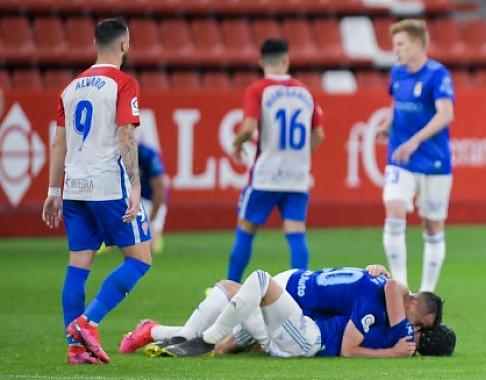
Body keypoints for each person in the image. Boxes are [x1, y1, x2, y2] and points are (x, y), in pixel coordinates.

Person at [41, 18, 152, 365]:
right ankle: (88, 323)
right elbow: (126, 133)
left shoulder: (71, 88)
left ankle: (75, 350)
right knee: (139, 259)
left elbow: (59, 142)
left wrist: (52, 189)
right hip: (107, 184)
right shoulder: (123, 83)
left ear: (95, 44)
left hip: (74, 186)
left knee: (78, 264)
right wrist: (135, 184)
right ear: (124, 45)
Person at [119, 266, 450, 358]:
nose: (408, 326)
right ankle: (192, 338)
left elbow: (394, 290)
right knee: (229, 328)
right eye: (415, 320)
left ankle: (154, 332)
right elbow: (394, 292)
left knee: (229, 295)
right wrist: (395, 349)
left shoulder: (378, 287)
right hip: (291, 299)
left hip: (293, 289)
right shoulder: (380, 298)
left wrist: (393, 281)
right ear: (412, 303)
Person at [226, 38, 325, 282]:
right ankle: (302, 293)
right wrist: (300, 155)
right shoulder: (305, 92)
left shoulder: (258, 89)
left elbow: (248, 128)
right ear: (286, 60)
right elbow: (319, 135)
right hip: (297, 176)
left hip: (266, 175)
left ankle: (229, 289)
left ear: (261, 62)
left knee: (246, 231)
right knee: (296, 235)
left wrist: (237, 145)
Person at [377, 19, 455, 292]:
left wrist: (414, 141)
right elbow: (395, 104)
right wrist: (388, 126)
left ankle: (426, 293)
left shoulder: (437, 74)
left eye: (401, 44)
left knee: (433, 226)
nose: (396, 49)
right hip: (401, 159)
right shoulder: (397, 73)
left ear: (419, 44)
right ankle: (401, 287)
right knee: (394, 210)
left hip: (433, 160)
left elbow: (446, 114)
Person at [138, 143, 169, 253]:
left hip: (150, 200)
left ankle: (155, 234)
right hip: (131, 199)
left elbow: (159, 189)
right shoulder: (115, 154)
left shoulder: (147, 155)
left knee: (149, 247)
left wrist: (151, 218)